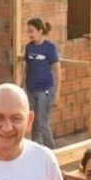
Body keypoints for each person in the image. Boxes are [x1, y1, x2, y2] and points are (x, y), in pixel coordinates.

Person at [23, 18, 61, 148]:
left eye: (31, 31)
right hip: (31, 90)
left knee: (42, 122)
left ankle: (51, 151)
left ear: (40, 31)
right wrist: (22, 86)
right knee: (33, 121)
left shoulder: (50, 48)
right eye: (28, 31)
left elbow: (57, 71)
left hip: (45, 90)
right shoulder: (29, 47)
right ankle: (37, 149)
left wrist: (57, 94)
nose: (29, 34)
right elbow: (26, 68)